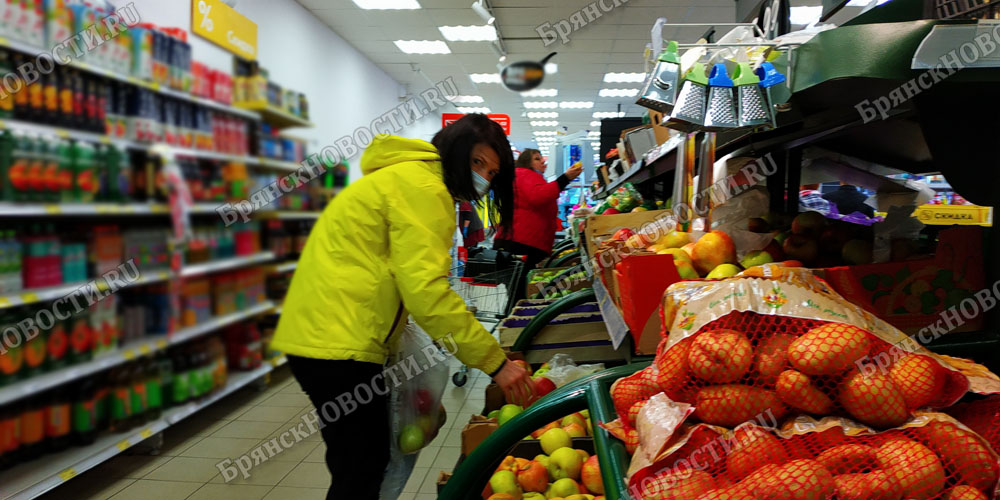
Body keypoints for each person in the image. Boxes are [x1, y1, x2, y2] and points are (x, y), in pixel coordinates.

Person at [269, 115, 534, 499]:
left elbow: (396, 275)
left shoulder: (404, 177)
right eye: (477, 162)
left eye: (491, 172)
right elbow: (426, 292)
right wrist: (495, 362)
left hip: (325, 334)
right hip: (337, 344)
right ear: (453, 150)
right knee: (361, 467)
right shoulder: (425, 189)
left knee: (358, 461)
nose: (483, 178)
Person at [494, 148, 583, 269]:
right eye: (537, 159)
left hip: (517, 240)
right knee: (521, 282)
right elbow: (539, 196)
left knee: (517, 283)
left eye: (541, 158)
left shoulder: (522, 176)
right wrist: (565, 178)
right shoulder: (524, 174)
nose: (542, 161)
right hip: (522, 241)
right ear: (526, 162)